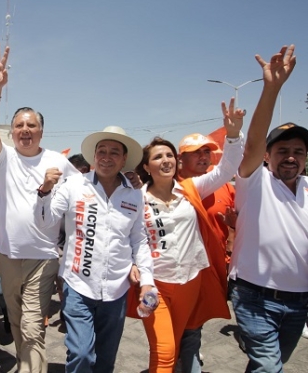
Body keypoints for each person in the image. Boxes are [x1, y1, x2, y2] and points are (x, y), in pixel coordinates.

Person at [0, 42, 80, 373]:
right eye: (19, 126)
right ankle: (26, 364)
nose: (25, 130)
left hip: (43, 258)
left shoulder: (58, 161)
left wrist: (129, 183)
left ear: (41, 130)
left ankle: (29, 368)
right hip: (7, 256)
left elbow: (87, 192)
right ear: (13, 131)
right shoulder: (2, 157)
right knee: (16, 318)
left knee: (33, 325)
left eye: (32, 125)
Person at [132, 99, 244, 373]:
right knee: (165, 350)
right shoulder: (136, 199)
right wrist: (136, 267)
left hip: (190, 282)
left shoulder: (192, 188)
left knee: (178, 343)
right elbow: (132, 239)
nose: (165, 160)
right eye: (158, 157)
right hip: (154, 285)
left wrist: (233, 136)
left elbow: (227, 169)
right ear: (147, 166)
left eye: (169, 155)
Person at [35, 126, 155, 372]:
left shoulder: (134, 194)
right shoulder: (73, 185)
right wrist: (45, 191)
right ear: (93, 156)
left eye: (114, 152)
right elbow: (45, 221)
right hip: (77, 284)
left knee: (106, 360)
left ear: (123, 159)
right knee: (81, 355)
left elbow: (139, 240)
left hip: (117, 289)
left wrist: (147, 279)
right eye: (101, 151)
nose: (106, 157)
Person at [229, 44, 308, 372]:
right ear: (267, 155)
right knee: (268, 369)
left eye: (299, 151)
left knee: (269, 365)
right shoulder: (254, 181)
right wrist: (272, 89)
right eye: (282, 150)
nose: (291, 156)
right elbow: (254, 140)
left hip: (299, 303)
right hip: (255, 299)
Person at [176, 133, 237, 373]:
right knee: (185, 330)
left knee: (194, 327)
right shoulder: (176, 187)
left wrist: (234, 229)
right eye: (197, 152)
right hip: (182, 273)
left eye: (207, 152)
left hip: (215, 269)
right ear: (181, 158)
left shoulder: (225, 187)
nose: (204, 157)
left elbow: (235, 221)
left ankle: (185, 356)